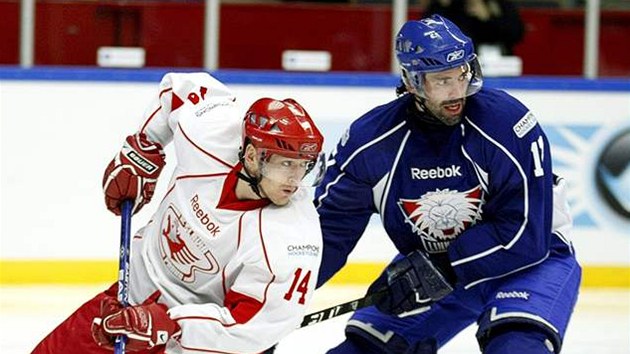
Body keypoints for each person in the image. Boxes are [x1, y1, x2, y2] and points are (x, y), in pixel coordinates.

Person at [314, 15, 580, 354]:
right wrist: (273, 304)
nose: (457, 92)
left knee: (516, 345)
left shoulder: (506, 124)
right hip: (437, 266)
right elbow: (327, 235)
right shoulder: (371, 143)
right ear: (411, 82)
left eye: (462, 75)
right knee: (366, 348)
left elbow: (526, 233)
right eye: (441, 81)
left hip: (532, 262)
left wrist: (444, 267)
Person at [32, 72, 326, 353]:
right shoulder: (214, 134)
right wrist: (143, 149)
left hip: (184, 346)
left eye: (304, 166)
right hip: (119, 307)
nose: (295, 179)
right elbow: (180, 88)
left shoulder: (293, 240)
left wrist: (173, 323)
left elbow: (255, 327)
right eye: (285, 164)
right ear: (251, 155)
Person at [426, 0, 524, 55]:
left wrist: (487, 19)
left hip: (501, 62)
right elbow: (432, 33)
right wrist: (443, 7)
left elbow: (515, 34)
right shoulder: (451, 6)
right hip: (462, 63)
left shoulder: (499, 4)